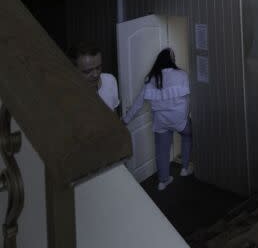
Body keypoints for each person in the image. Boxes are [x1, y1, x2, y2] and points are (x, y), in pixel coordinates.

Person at [123, 47, 192, 191]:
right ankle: (185, 168)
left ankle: (163, 181)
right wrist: (189, 114)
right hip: (179, 119)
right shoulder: (182, 75)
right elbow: (189, 98)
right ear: (171, 60)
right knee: (188, 136)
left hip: (161, 121)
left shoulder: (151, 78)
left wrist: (126, 119)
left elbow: (138, 102)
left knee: (162, 151)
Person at [69, 42, 119, 113]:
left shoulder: (110, 80)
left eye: (98, 68)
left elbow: (114, 114)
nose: (95, 75)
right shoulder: (69, 94)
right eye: (88, 71)